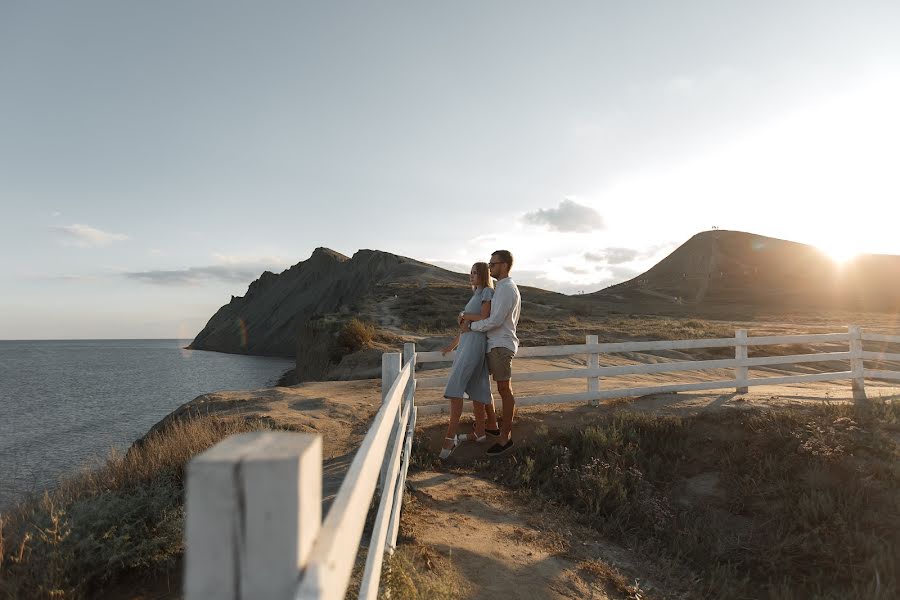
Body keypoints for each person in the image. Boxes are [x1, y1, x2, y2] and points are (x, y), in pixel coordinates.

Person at [438, 262, 500, 459]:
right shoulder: (476, 294)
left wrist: (464, 314)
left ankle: (450, 438)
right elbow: (465, 327)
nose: (471, 275)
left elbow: (484, 316)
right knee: (477, 385)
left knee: (455, 386)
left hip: (475, 345)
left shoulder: (487, 292)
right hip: (466, 344)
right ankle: (480, 432)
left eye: (475, 272)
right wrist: (451, 346)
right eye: (470, 272)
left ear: (483, 274)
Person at [462, 250, 521, 456]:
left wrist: (471, 327)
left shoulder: (506, 289)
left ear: (504, 265)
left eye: (493, 264)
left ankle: (505, 438)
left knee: (504, 390)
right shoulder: (501, 288)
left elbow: (495, 321)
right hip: (494, 344)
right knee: (485, 385)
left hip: (500, 345)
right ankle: (492, 426)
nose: (489, 267)